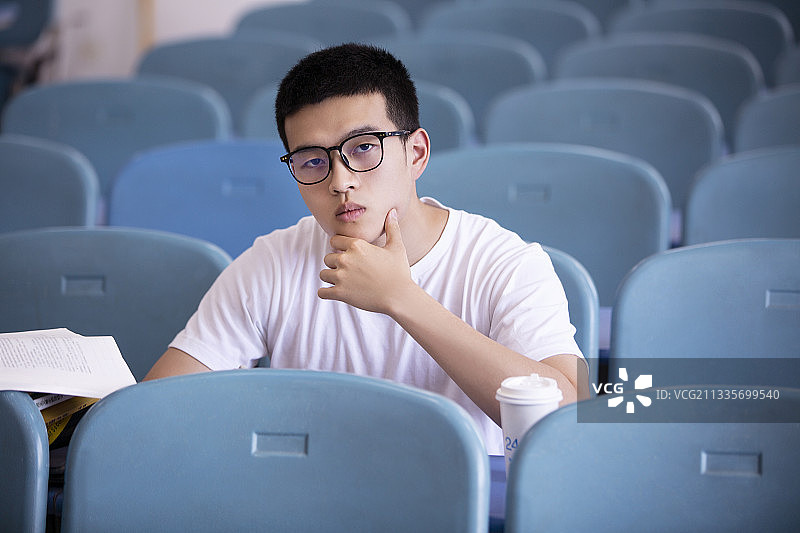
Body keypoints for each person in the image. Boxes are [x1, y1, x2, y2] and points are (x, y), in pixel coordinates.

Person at [144, 43, 586, 455]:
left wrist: (403, 299)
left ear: (416, 153)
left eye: (363, 148)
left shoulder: (508, 263)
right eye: (313, 161)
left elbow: (575, 415)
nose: (340, 181)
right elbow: (154, 412)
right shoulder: (272, 261)